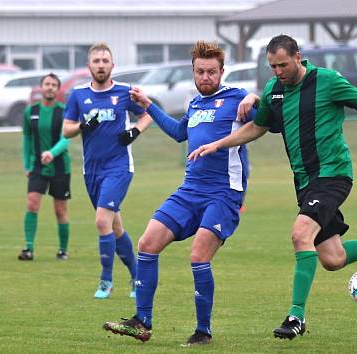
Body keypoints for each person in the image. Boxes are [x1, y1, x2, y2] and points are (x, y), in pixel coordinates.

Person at [187, 34, 357, 340]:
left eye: (283, 64)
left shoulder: (327, 81)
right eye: (272, 66)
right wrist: (218, 144)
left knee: (301, 235)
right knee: (333, 258)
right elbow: (258, 127)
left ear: (297, 57)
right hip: (304, 182)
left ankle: (295, 317)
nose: (278, 72)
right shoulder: (274, 90)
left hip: (333, 174)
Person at [103, 41, 253, 346]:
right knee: (147, 242)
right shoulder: (196, 104)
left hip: (223, 193)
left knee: (198, 254)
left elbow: (271, 119)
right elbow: (177, 133)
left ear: (222, 72)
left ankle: (203, 331)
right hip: (190, 190)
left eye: (212, 72)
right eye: (200, 71)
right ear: (193, 72)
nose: (206, 77)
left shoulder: (237, 99)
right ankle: (141, 322)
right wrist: (148, 104)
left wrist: (255, 96)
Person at [63, 43, 152, 299]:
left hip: (119, 167)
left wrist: (134, 131)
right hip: (91, 171)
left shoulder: (125, 92)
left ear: (112, 65)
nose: (101, 65)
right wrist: (83, 125)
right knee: (114, 227)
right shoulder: (78, 95)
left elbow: (147, 115)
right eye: (96, 61)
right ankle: (137, 276)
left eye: (105, 61)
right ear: (89, 66)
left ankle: (106, 281)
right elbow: (66, 130)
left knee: (102, 221)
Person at [19, 73, 72, 261]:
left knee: (60, 210)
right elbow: (26, 139)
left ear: (58, 90)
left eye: (54, 85)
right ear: (41, 88)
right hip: (37, 168)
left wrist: (52, 152)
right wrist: (26, 164)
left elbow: (66, 139)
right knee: (32, 204)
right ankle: (28, 249)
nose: (50, 87)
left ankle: (63, 250)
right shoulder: (30, 112)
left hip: (60, 167)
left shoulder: (64, 111)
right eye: (47, 84)